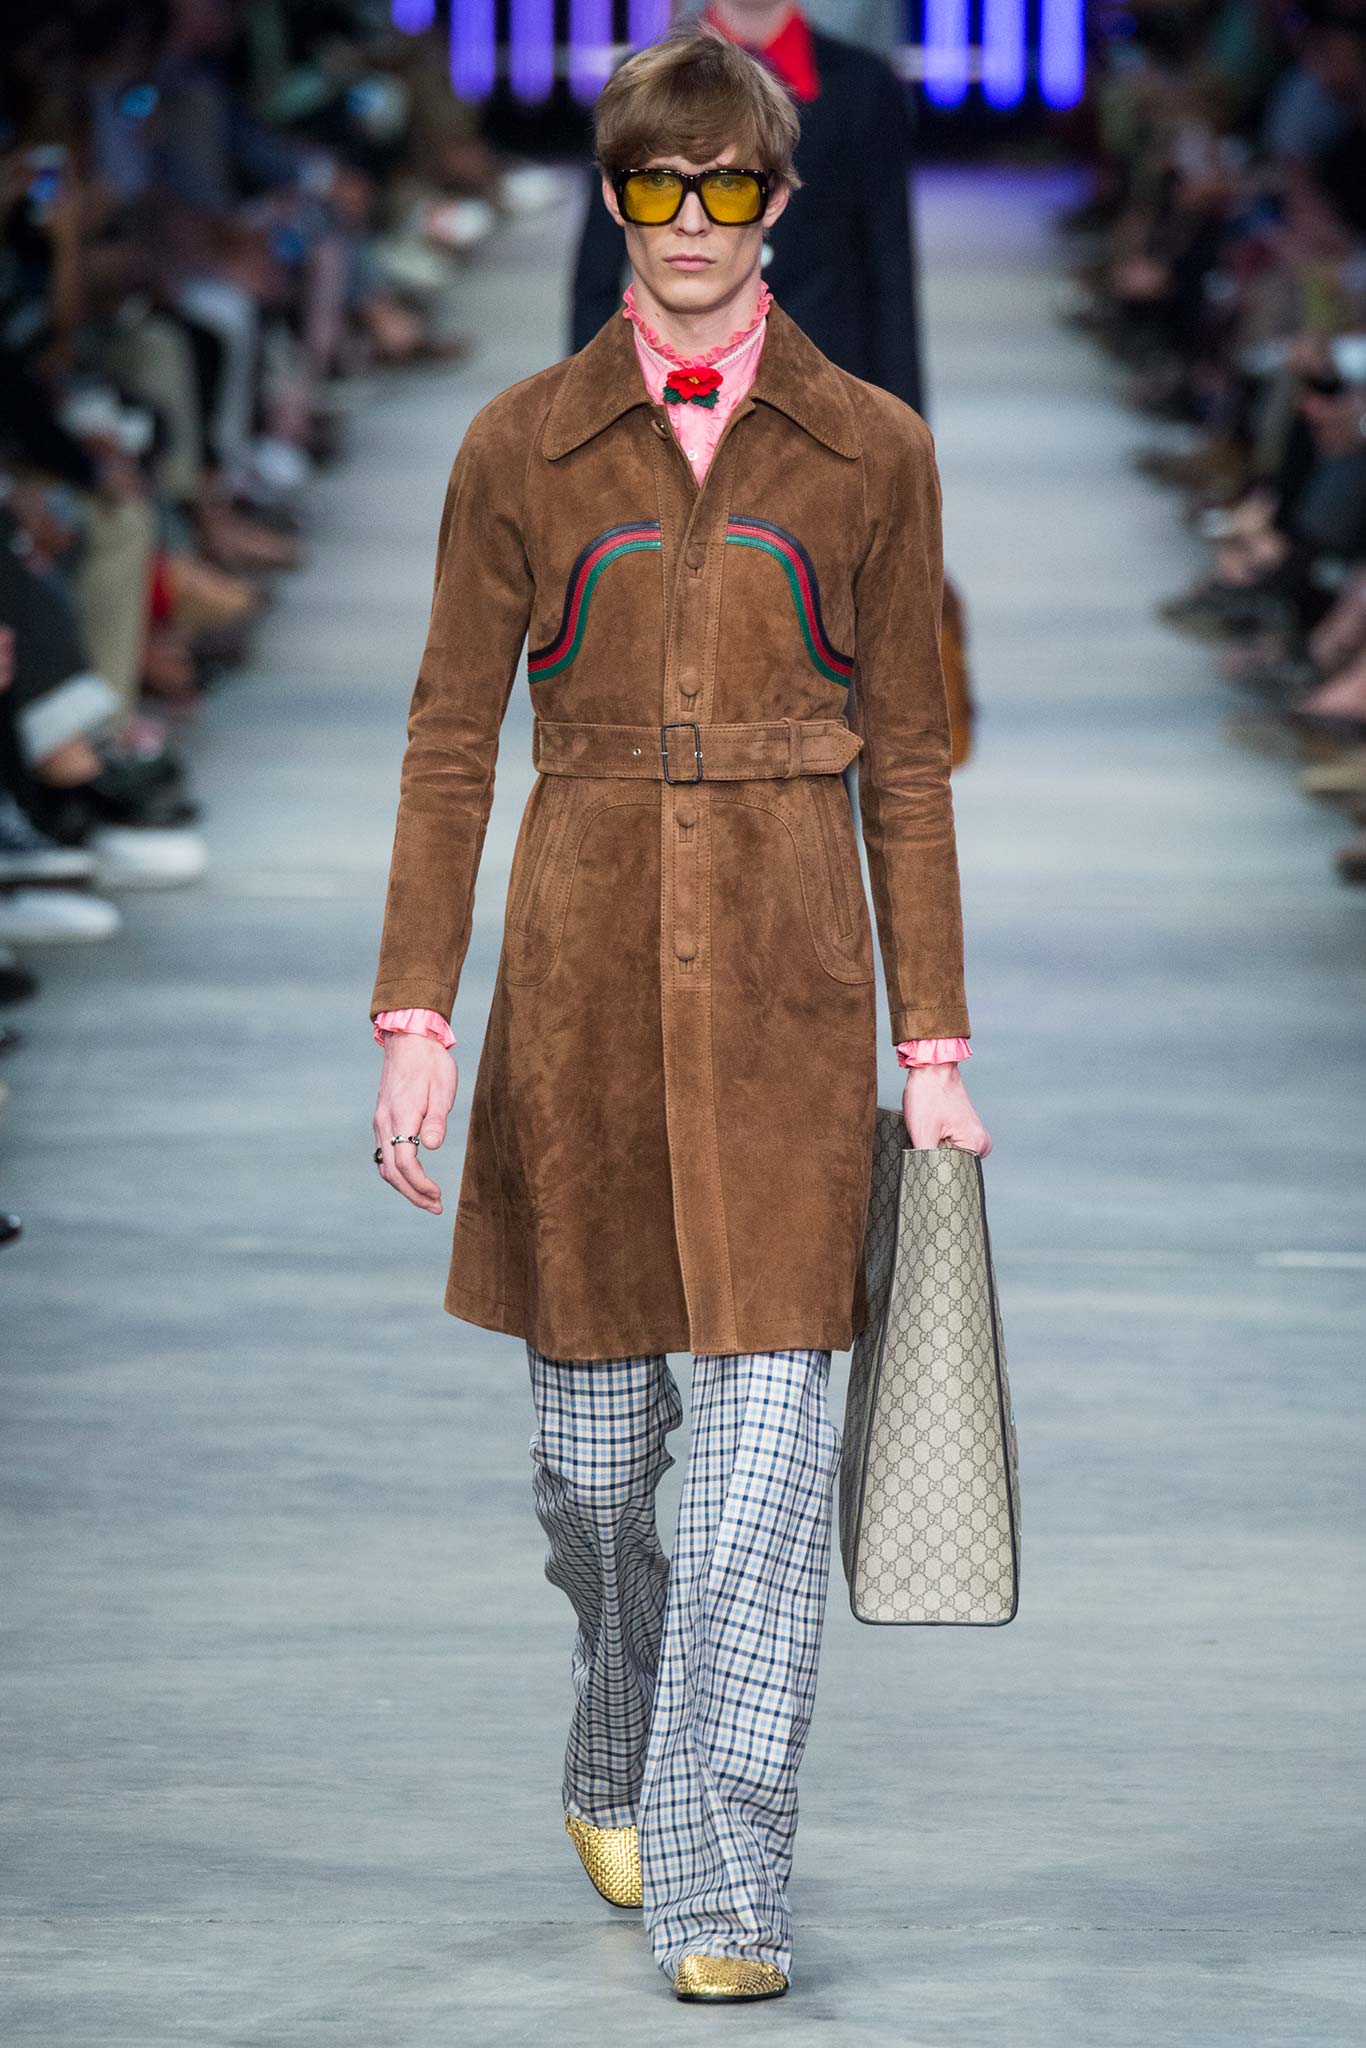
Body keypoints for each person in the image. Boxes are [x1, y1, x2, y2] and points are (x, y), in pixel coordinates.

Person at [367, 25, 990, 2003]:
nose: (693, 221)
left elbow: (908, 762)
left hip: (793, 1000)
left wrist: (933, 1048)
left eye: (728, 186)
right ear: (615, 199)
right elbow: (450, 740)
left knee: (750, 1503)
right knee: (593, 1487)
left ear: (779, 202)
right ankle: (615, 1715)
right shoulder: (517, 446)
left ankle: (725, 1892)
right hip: (576, 1002)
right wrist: (413, 1011)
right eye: (658, 185)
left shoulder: (872, 448)